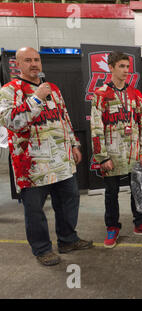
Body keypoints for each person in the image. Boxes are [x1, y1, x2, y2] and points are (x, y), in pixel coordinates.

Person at [0, 47, 93, 266]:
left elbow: (64, 118)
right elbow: (13, 123)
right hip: (32, 165)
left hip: (61, 159)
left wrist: (74, 144)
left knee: (69, 200)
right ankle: (42, 249)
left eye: (36, 60)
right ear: (18, 64)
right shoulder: (8, 90)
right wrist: (36, 98)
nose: (34, 64)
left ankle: (68, 239)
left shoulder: (53, 89)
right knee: (34, 210)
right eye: (28, 60)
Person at [91, 51, 142, 248]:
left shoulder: (136, 94)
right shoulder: (100, 94)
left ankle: (140, 222)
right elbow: (96, 128)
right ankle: (112, 227)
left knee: (137, 188)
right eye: (121, 66)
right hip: (112, 154)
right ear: (111, 67)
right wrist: (102, 157)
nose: (125, 71)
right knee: (111, 192)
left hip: (134, 152)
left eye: (127, 67)